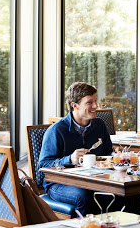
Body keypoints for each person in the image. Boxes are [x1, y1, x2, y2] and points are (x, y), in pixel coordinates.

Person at [39, 82, 114, 216]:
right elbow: (43, 165)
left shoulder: (99, 125)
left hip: (94, 180)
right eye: (89, 102)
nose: (96, 106)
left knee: (123, 194)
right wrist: (69, 159)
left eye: (95, 101)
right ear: (75, 105)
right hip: (59, 184)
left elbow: (108, 152)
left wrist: (115, 156)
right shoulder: (56, 131)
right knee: (83, 196)